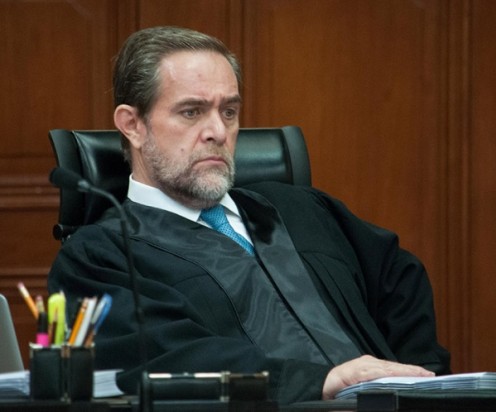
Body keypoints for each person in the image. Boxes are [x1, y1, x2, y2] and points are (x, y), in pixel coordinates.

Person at [48, 26, 451, 404]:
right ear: (133, 125)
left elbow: (399, 278)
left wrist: (417, 383)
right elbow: (165, 362)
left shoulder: (300, 209)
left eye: (229, 111)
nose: (218, 132)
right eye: (191, 112)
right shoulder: (100, 258)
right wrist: (318, 383)